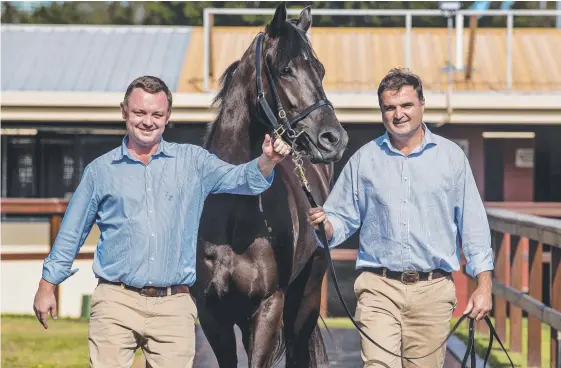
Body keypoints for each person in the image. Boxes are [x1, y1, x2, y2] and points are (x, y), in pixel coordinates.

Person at [32, 75, 292, 368]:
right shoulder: (100, 172)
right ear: (124, 112)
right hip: (116, 301)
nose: (148, 121)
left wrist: (267, 160)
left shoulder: (193, 162)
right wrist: (47, 283)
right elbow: (72, 231)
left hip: (174, 306)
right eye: (140, 113)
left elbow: (242, 179)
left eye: (157, 114)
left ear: (167, 117)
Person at [307, 68, 494, 368]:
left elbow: (473, 227)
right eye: (389, 108)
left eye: (406, 105)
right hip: (378, 288)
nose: (398, 114)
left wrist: (484, 286)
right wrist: (325, 225)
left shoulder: (451, 158)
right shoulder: (364, 160)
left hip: (433, 291)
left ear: (422, 104)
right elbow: (340, 218)